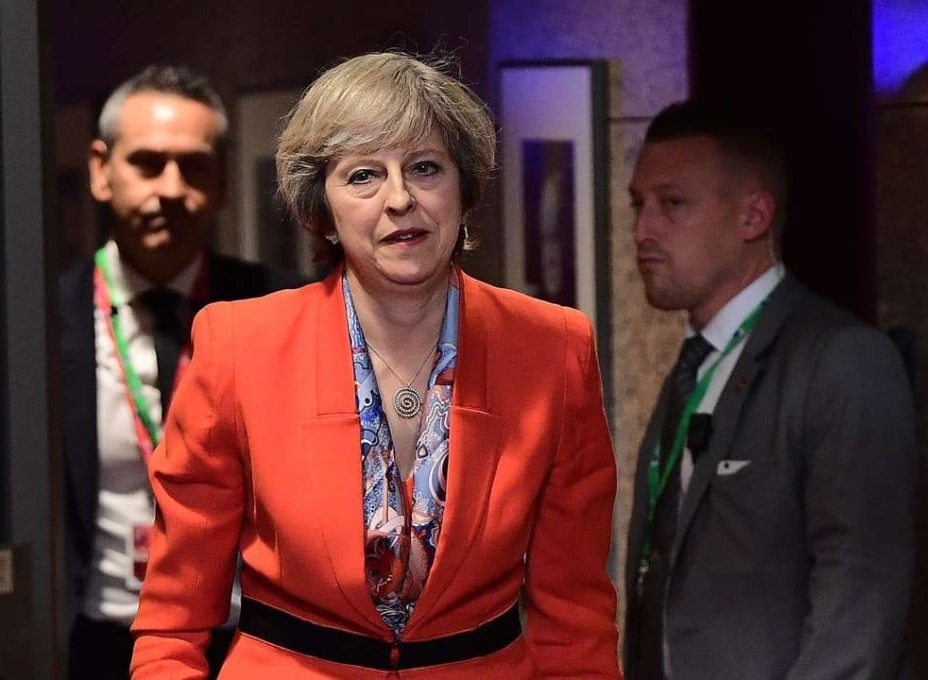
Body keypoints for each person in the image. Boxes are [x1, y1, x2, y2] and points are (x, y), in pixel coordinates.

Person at [130, 51, 621, 678]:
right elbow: (173, 621)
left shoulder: (553, 349)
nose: (399, 199)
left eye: (424, 168)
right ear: (324, 209)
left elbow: (575, 618)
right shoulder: (238, 346)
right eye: (363, 175)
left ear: (463, 190)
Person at [623, 99, 917, 679]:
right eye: (639, 205)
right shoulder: (693, 365)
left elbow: (861, 590)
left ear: (753, 216)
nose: (642, 230)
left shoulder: (843, 358)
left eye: (672, 204)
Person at [60, 64, 301, 679]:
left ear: (221, 180)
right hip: (95, 643)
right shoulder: (36, 323)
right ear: (99, 169)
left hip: (247, 645)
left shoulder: (278, 310)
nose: (170, 188)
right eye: (146, 163)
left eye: (193, 166)